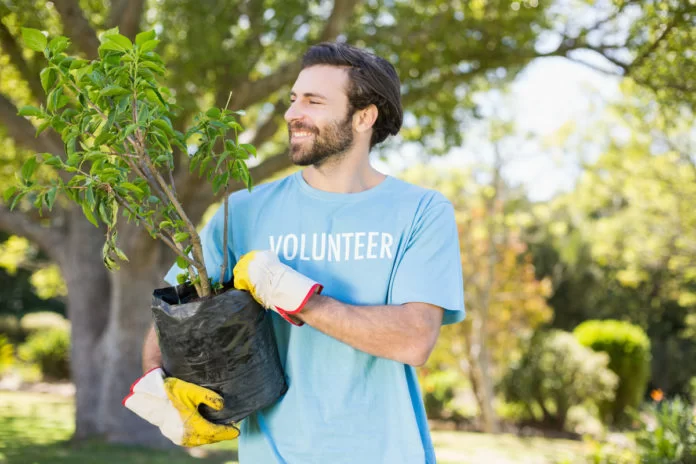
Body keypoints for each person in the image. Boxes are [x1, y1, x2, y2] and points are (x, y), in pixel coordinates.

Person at [124, 42, 465, 463]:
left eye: (313, 101)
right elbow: (170, 321)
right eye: (292, 99)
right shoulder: (243, 213)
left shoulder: (420, 211)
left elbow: (415, 339)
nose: (291, 113)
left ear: (364, 116)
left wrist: (301, 298)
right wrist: (161, 388)